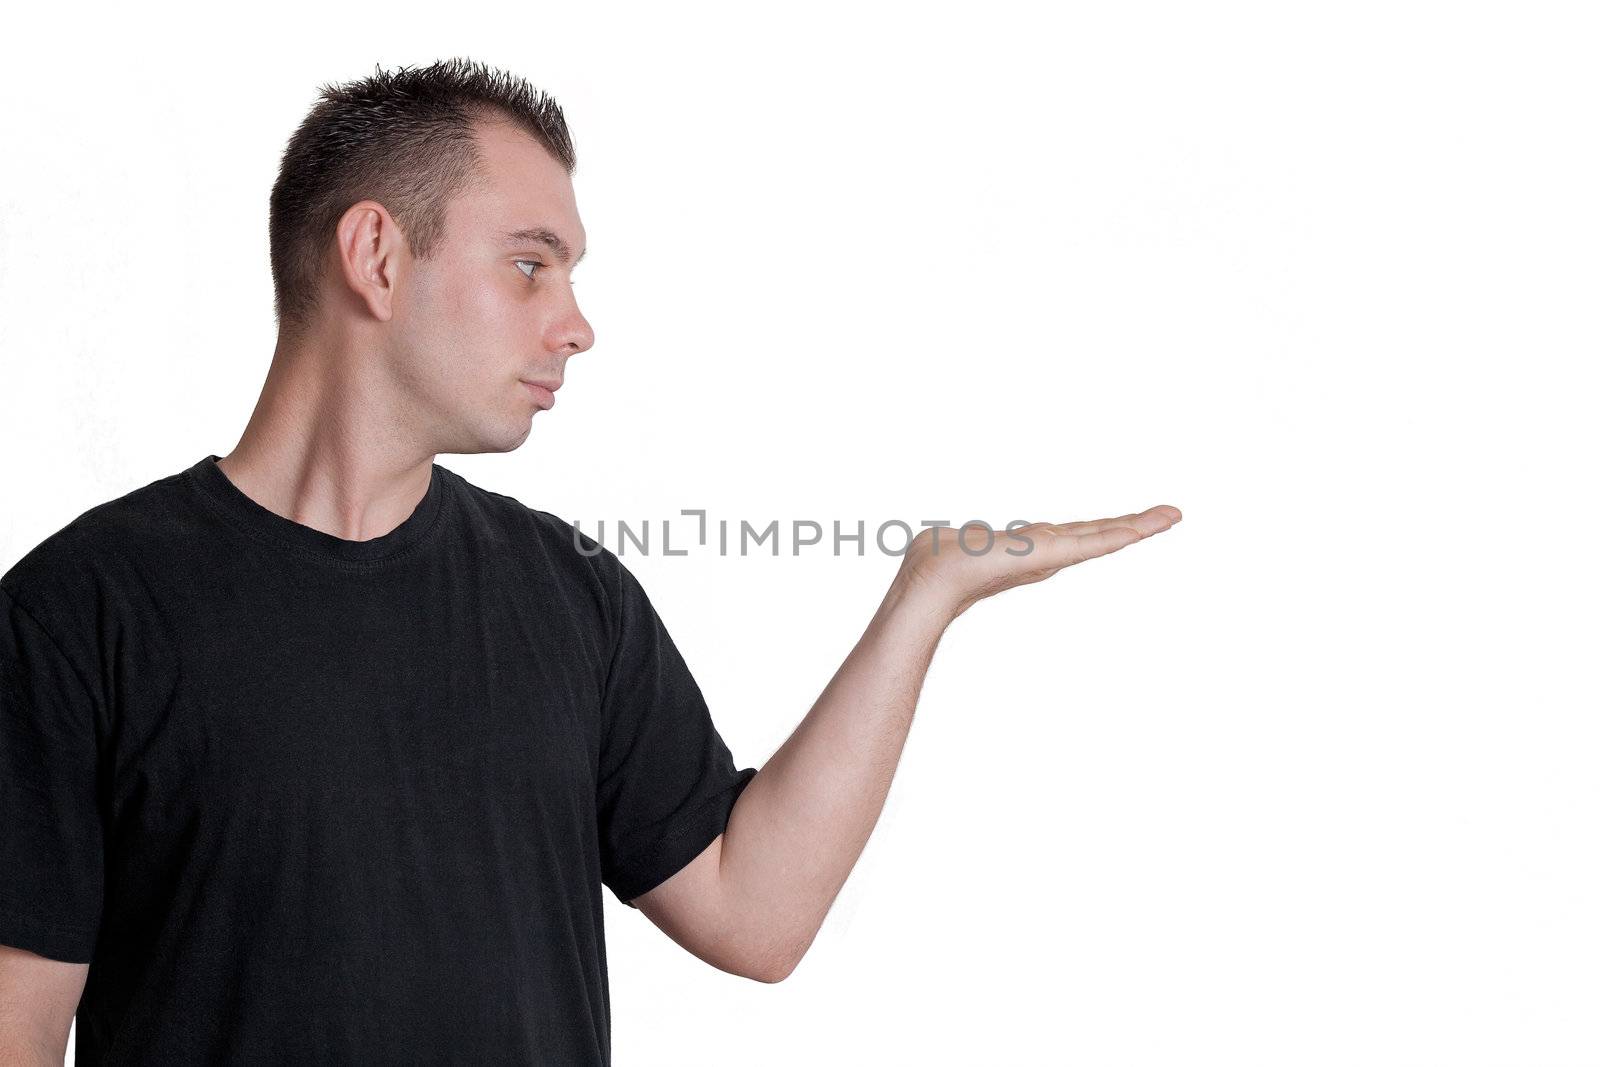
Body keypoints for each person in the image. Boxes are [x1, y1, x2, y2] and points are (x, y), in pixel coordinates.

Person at [0, 57, 1182, 1065]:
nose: (575, 322)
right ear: (375, 254)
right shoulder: (78, 615)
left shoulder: (569, 597)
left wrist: (926, 596)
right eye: (530, 263)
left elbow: (752, 913)